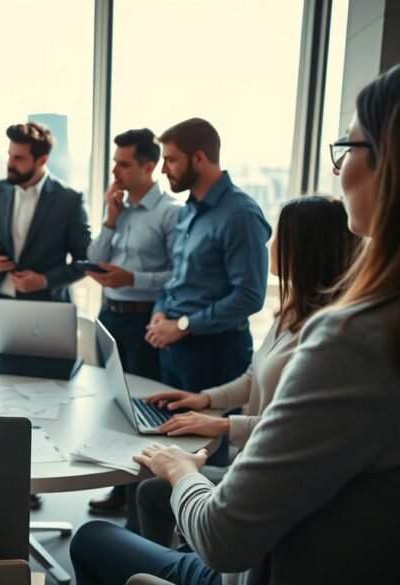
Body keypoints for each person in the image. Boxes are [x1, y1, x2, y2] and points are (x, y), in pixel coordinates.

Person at [70, 49, 400, 585]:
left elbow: (225, 539)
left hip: (255, 563)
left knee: (96, 537)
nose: (339, 168)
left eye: (348, 147)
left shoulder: (357, 339)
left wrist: (182, 470)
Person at [132, 195, 359, 547]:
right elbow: (253, 378)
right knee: (151, 489)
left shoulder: (326, 333)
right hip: (250, 461)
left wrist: (221, 424)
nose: (268, 245)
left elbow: (289, 429)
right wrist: (203, 398)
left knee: (150, 492)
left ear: (305, 246)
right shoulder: (289, 310)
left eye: (278, 236)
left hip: (273, 476)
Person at [144, 118, 271, 466]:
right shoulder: (189, 208)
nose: (164, 169)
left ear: (199, 158)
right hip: (175, 350)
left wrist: (182, 325)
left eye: (171, 160)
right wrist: (160, 309)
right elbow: (178, 276)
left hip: (216, 354)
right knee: (170, 447)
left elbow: (249, 295)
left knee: (204, 460)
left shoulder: (240, 214)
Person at [85, 128, 181, 519]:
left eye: (123, 164)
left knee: (141, 410)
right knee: (113, 403)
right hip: (109, 316)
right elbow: (94, 255)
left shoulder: (170, 212)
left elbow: (179, 275)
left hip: (143, 320)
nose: (115, 170)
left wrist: (134, 280)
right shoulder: (118, 206)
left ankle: (139, 497)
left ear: (149, 166)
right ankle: (120, 488)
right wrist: (110, 218)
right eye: (114, 162)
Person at [0, 121, 91, 356]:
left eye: (19, 158)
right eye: (10, 155)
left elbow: (85, 260)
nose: (10, 164)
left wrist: (43, 280)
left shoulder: (69, 200)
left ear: (42, 160)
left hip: (47, 313)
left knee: (48, 387)